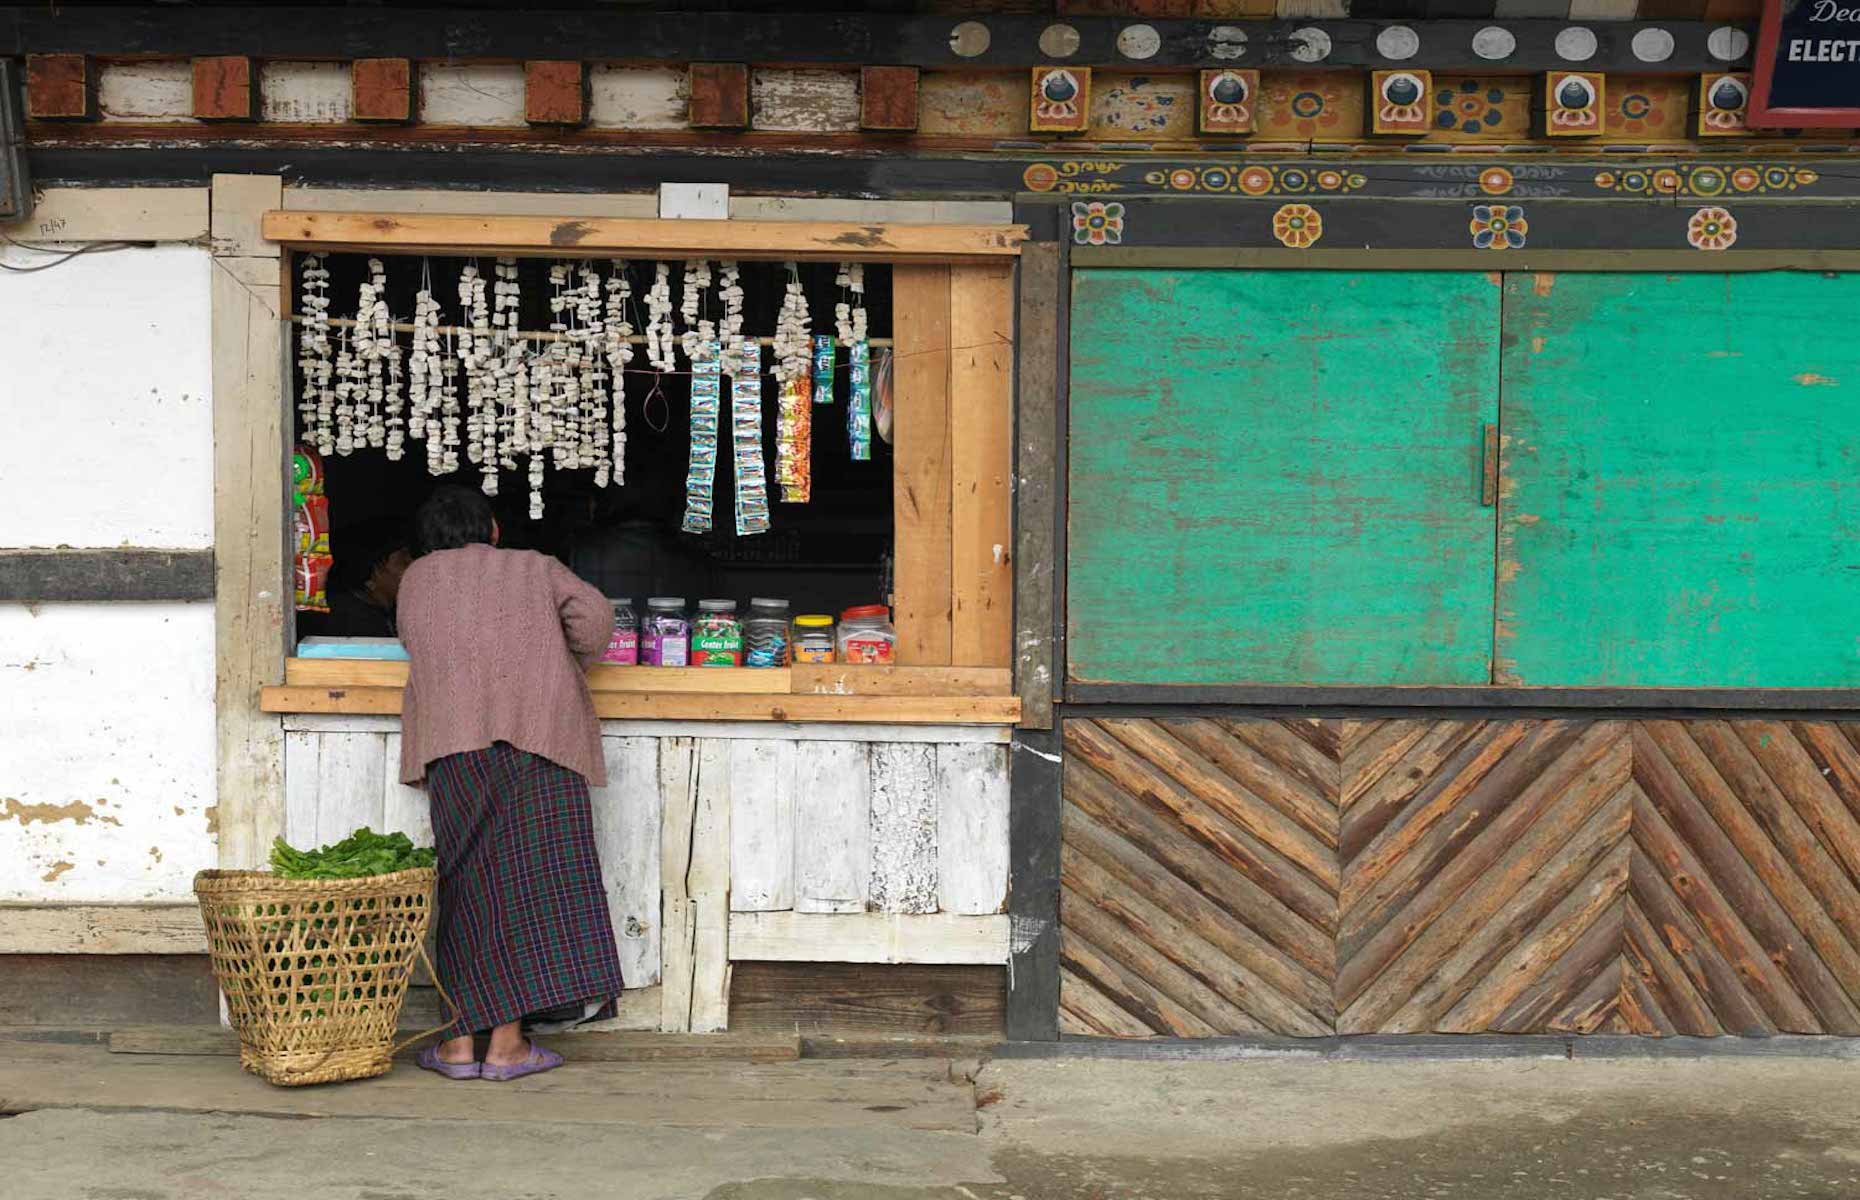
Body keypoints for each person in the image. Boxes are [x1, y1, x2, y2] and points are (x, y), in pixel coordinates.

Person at [395, 485, 625, 1082]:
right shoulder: (533, 566)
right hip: (538, 744)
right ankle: (507, 1047)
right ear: (492, 529)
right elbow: (597, 623)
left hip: (455, 748)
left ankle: (457, 1046)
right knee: (529, 890)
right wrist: (552, 655)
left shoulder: (415, 579)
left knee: (467, 885)